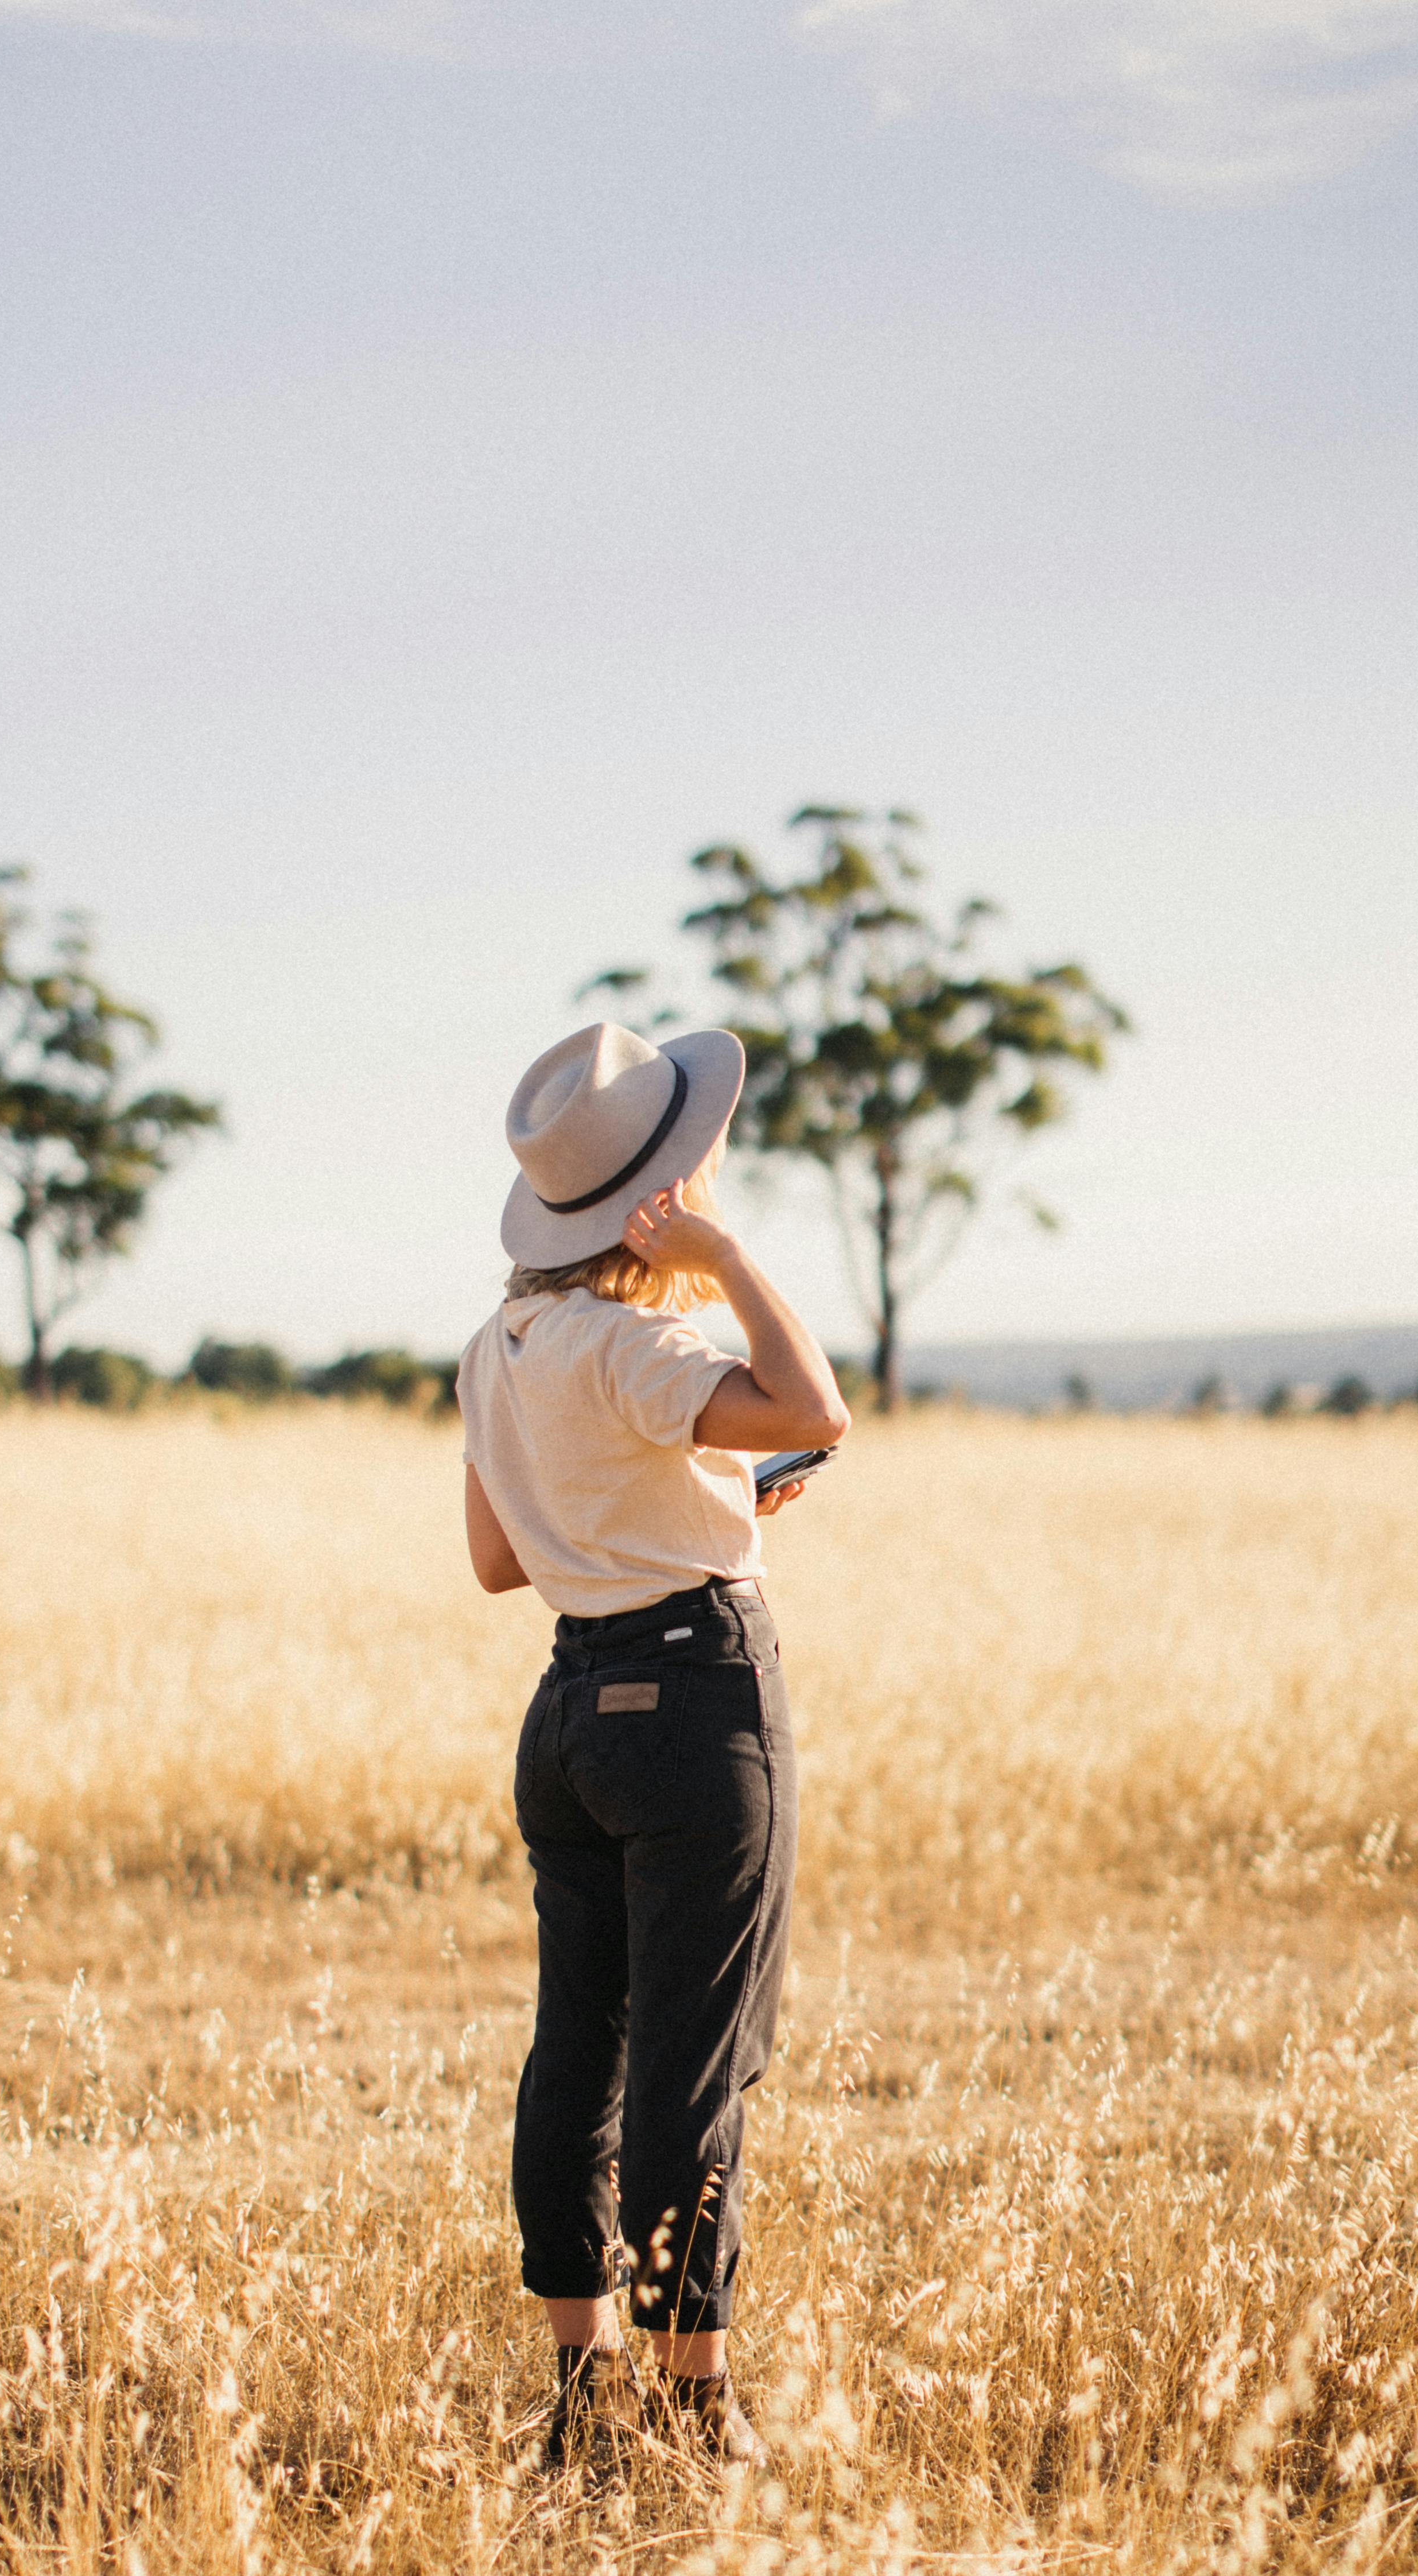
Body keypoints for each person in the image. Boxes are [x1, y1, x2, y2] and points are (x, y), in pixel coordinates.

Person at [457, 1020, 850, 2469]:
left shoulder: (498, 1351)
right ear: (658, 1196)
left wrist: (707, 1491)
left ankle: (583, 2402)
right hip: (695, 1698)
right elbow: (821, 1411)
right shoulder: (646, 1338)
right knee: (699, 2065)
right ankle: (700, 2410)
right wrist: (731, 1262)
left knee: (581, 2055)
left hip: (569, 1714)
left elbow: (506, 1562)